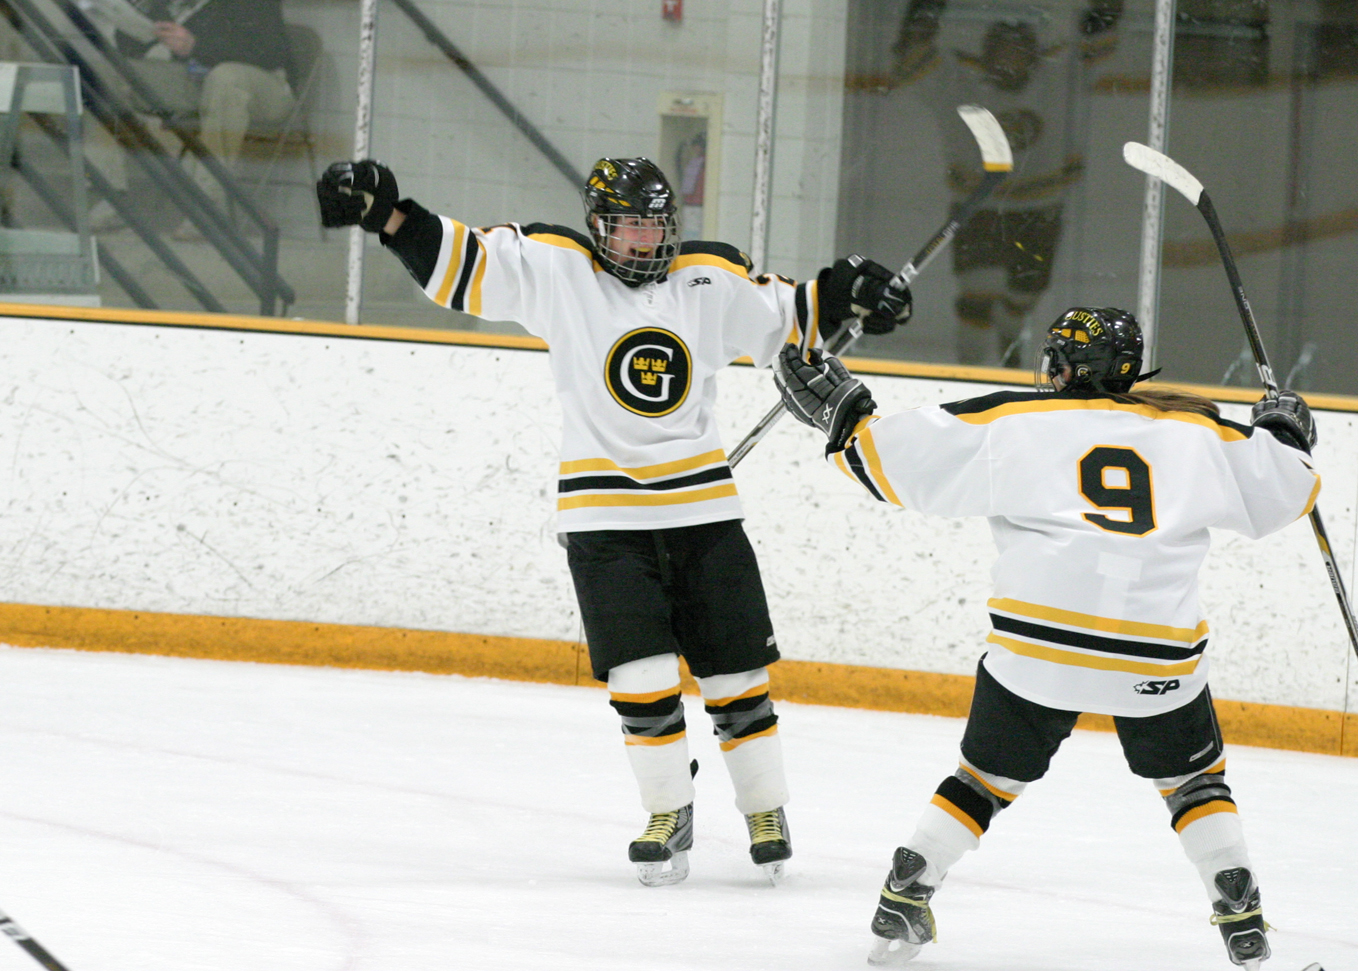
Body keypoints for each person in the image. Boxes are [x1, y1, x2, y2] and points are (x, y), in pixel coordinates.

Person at [314, 156, 912, 886]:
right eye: (629, 225)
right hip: (603, 514)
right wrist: (389, 215)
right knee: (640, 675)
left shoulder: (707, 276)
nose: (644, 240)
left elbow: (792, 316)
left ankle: (765, 808)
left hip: (703, 508)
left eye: (656, 224)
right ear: (599, 226)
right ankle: (668, 810)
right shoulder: (559, 268)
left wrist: (853, 293)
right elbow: (464, 264)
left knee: (735, 673)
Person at [774, 307, 1319, 967]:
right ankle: (1238, 902)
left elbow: (891, 459)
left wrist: (847, 415)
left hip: (1035, 650)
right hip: (1154, 653)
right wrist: (1284, 428)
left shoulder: (1014, 420)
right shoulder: (1195, 430)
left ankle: (910, 882)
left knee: (982, 777)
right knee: (1193, 780)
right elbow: (1290, 489)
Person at [888, 1, 1122, 365]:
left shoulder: (1059, 76)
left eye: (1019, 48)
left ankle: (1009, 348)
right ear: (986, 51)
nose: (1010, 57)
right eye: (1002, 48)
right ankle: (969, 374)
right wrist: (926, 8)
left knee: (1024, 296)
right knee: (975, 299)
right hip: (978, 210)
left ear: (1033, 54)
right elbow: (913, 58)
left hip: (1040, 211)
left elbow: (1097, 39)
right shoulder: (960, 81)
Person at [88, 0, 296, 236]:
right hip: (200, 80)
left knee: (225, 78)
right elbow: (133, 50)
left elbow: (268, 52)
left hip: (265, 84)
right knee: (107, 73)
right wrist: (143, 26)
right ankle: (110, 197)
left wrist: (195, 45)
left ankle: (210, 206)